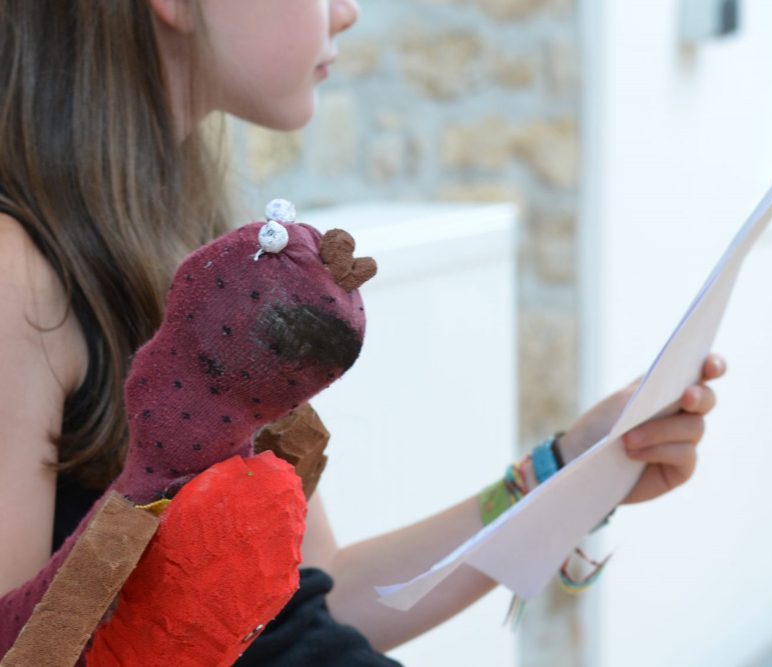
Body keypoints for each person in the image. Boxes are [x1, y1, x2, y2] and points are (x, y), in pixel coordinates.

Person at [0, 0, 726, 663]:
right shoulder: (18, 276)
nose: (346, 12)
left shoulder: (205, 253)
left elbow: (323, 594)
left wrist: (563, 472)